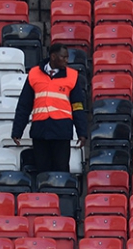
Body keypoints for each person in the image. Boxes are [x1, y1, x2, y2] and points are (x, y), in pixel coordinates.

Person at [11, 43, 88, 173]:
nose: (66, 60)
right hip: (40, 130)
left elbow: (78, 106)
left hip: (61, 131)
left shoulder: (72, 76)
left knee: (61, 170)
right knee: (42, 170)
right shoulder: (34, 74)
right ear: (53, 56)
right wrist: (17, 130)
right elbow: (24, 105)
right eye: (63, 57)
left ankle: (61, 194)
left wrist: (82, 132)